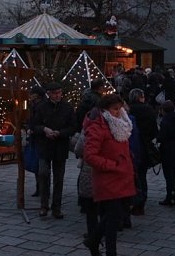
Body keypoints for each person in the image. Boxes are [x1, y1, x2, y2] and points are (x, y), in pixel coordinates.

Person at [83, 94, 136, 256]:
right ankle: (108, 250)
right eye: (114, 109)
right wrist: (112, 165)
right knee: (112, 219)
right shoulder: (98, 127)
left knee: (114, 216)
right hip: (108, 178)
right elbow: (90, 155)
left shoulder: (122, 124)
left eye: (120, 108)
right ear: (105, 110)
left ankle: (93, 241)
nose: (118, 112)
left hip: (122, 177)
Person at [30, 81, 76, 218]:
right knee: (43, 174)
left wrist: (60, 133)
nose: (58, 95)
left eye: (59, 93)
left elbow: (73, 127)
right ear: (49, 94)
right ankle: (44, 205)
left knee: (58, 178)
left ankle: (57, 207)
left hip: (60, 146)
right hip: (45, 145)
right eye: (55, 93)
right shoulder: (41, 107)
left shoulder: (67, 107)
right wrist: (44, 129)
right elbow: (34, 125)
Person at [127, 88, 157, 216]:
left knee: (132, 174)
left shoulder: (128, 110)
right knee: (142, 174)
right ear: (140, 97)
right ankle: (142, 198)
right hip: (144, 146)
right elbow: (154, 130)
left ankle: (132, 199)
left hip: (131, 146)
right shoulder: (148, 110)